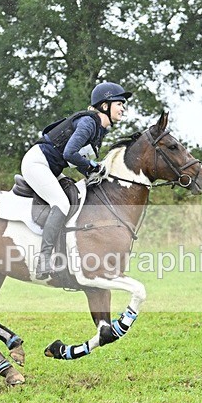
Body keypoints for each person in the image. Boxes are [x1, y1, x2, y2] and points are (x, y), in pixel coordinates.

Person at [22, 81, 132, 280]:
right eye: (120, 103)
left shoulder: (98, 129)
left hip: (51, 167)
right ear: (105, 105)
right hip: (37, 163)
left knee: (75, 195)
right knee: (62, 203)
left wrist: (94, 175)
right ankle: (44, 260)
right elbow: (70, 153)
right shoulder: (89, 123)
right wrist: (93, 167)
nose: (123, 107)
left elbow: (79, 160)